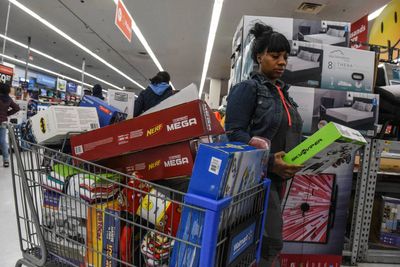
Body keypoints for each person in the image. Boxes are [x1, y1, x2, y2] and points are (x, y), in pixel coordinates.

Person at [225, 23, 303, 266]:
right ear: (259, 57)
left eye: (285, 57)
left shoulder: (284, 94)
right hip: (255, 182)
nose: (282, 62)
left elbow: (287, 132)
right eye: (275, 56)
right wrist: (270, 163)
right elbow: (234, 135)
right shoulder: (247, 89)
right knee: (264, 243)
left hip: (278, 181)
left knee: (266, 242)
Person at [0, 83, 20, 167]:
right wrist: (6, 114)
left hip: (2, 121)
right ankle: (6, 160)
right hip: (3, 122)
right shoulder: (8, 99)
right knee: (2, 141)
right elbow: (17, 108)